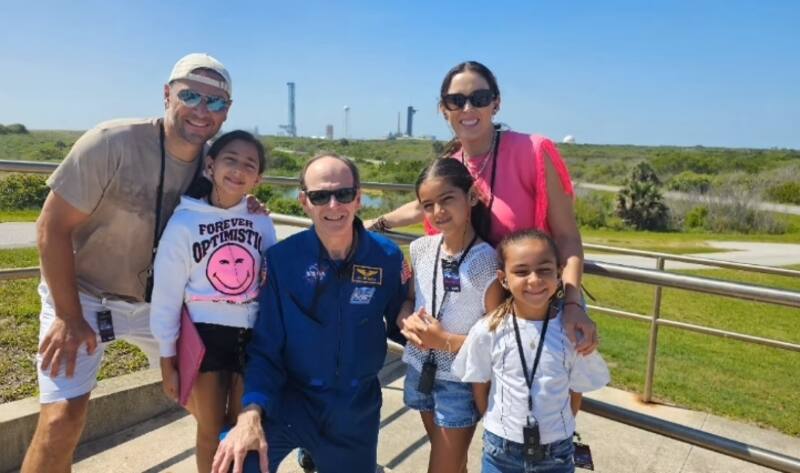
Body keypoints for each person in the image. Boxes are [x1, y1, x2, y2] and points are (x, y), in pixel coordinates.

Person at [22, 53, 234, 473]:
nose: (201, 110)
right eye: (190, 95)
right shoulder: (111, 142)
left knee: (216, 415)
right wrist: (67, 316)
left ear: (226, 112)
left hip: (160, 304)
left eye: (215, 101)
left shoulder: (216, 165)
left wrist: (252, 209)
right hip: (83, 296)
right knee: (61, 422)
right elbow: (51, 227)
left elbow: (233, 216)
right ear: (167, 94)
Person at [366, 61, 598, 355]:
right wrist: (373, 224)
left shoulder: (533, 152)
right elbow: (423, 205)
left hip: (534, 308)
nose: (468, 108)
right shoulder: (453, 163)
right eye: (456, 100)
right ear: (444, 109)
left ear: (495, 104)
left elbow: (567, 237)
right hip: (475, 319)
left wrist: (573, 304)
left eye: (479, 98)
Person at [211, 153, 409, 473]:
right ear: (304, 201)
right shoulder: (281, 261)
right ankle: (309, 449)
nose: (333, 205)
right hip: (290, 399)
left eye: (344, 194)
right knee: (235, 463)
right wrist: (250, 412)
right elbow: (265, 347)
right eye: (320, 196)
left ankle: (320, 454)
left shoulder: (386, 257)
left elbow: (402, 323)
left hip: (354, 409)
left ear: (358, 198)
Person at [149, 130, 278, 473]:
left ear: (258, 178)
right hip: (204, 336)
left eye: (249, 165)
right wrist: (167, 359)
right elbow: (166, 294)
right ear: (210, 165)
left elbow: (270, 279)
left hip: (251, 335)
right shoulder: (184, 222)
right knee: (209, 428)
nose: (238, 170)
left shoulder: (261, 221)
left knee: (242, 427)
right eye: (229, 160)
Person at [452, 229, 610, 473]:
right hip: (500, 451)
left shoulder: (571, 334)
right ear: (503, 278)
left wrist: (558, 429)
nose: (534, 280)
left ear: (559, 273)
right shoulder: (488, 329)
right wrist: (496, 424)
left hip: (556, 453)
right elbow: (480, 383)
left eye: (544, 270)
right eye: (521, 271)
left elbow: (575, 390)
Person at [397, 158, 505, 473]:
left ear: (471, 197)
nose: (438, 211)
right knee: (454, 466)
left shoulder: (487, 262)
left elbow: (496, 339)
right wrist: (406, 320)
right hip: (420, 370)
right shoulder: (420, 249)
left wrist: (443, 340)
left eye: (447, 199)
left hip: (460, 382)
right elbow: (410, 300)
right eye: (428, 205)